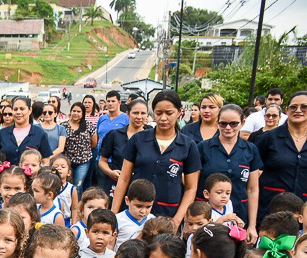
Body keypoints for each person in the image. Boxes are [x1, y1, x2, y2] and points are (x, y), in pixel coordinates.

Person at [111, 90, 201, 224]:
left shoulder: (188, 146)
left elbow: (191, 188)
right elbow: (124, 179)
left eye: (169, 113)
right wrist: (113, 215)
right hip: (135, 215)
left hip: (168, 215)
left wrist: (176, 221)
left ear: (179, 112)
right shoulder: (138, 140)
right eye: (158, 113)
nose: (163, 118)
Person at [197, 104, 262, 237]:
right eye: (223, 123)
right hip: (208, 216)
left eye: (233, 124)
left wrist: (252, 226)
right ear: (217, 123)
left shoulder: (250, 149)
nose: (228, 128)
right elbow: (192, 184)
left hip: (239, 214)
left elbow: (252, 189)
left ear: (243, 122)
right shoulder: (203, 148)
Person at [255, 91, 307, 224]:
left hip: (303, 213)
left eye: (304, 107)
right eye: (294, 107)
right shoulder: (268, 138)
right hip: (271, 210)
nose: (298, 110)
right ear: (286, 110)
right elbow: (254, 176)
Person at [98, 99, 149, 195]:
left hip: (141, 188)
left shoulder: (152, 136)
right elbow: (102, 161)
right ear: (128, 114)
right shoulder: (114, 135)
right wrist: (110, 172)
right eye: (135, 113)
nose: (139, 117)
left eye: (143, 113)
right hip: (116, 185)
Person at [0, 96, 52, 166]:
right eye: (15, 109)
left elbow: (46, 161)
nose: (18, 112)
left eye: (22, 109)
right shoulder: (3, 133)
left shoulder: (40, 134)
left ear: (30, 110)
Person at [62, 102, 97, 196]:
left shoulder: (88, 126)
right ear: (70, 112)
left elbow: (94, 143)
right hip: (67, 161)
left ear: (82, 114)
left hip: (83, 161)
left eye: (78, 111)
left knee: (78, 185)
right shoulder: (63, 126)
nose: (76, 113)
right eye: (74, 111)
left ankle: (77, 208)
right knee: (66, 184)